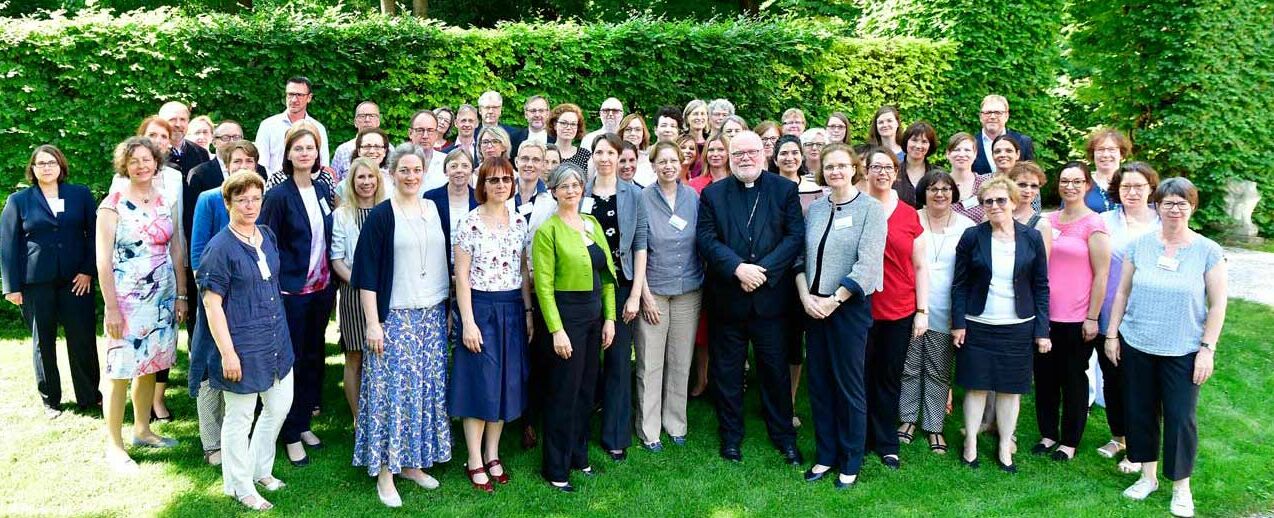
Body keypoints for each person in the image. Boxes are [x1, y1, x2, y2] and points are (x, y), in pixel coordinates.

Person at [1104, 177, 1225, 518]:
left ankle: (1181, 487)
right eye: (1168, 203)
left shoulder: (1208, 251)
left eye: (1181, 203)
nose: (1174, 209)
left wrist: (1207, 349)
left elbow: (1217, 305)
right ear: (1157, 206)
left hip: (1183, 349)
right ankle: (1147, 476)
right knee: (1140, 411)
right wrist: (1112, 334)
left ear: (1192, 207)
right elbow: (1123, 293)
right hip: (1138, 342)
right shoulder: (1140, 246)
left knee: (1180, 417)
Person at [351, 143, 453, 507]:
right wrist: (373, 323)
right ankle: (385, 473)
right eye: (404, 170)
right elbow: (365, 275)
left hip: (430, 316)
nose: (411, 176)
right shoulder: (382, 215)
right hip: (395, 317)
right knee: (390, 394)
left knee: (423, 391)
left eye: (416, 170)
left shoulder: (433, 209)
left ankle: (412, 463)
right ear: (391, 173)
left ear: (424, 173)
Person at [696, 131, 804, 465]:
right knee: (727, 372)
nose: (745, 158)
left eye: (752, 152)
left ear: (763, 154)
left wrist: (761, 272)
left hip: (771, 299)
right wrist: (738, 269)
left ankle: (783, 435)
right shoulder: (714, 194)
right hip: (728, 297)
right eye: (738, 153)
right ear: (729, 156)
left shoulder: (784, 189)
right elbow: (706, 239)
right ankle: (730, 436)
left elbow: (794, 236)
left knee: (774, 371)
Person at [197, 171, 294, 511]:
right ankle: (239, 485)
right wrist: (228, 353)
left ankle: (259, 469)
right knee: (239, 418)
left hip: (276, 338)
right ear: (228, 204)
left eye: (255, 198)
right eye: (242, 200)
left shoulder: (266, 235)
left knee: (279, 405)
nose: (250, 205)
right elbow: (212, 304)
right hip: (241, 343)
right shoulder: (219, 248)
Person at [796, 143, 887, 488]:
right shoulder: (816, 210)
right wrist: (806, 297)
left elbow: (867, 265)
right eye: (829, 166)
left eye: (841, 166)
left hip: (846, 309)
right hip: (813, 307)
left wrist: (833, 300)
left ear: (854, 169)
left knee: (849, 387)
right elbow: (802, 258)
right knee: (819, 384)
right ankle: (825, 455)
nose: (835, 171)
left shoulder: (870, 210)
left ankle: (851, 459)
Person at [96, 137, 188, 472]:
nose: (141, 165)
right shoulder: (112, 204)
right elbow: (103, 261)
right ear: (125, 165)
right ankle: (114, 444)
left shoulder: (164, 200)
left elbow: (176, 248)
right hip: (126, 299)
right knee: (120, 371)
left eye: (146, 159)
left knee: (152, 362)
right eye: (134, 160)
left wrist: (180, 293)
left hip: (162, 296)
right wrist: (111, 307)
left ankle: (142, 429)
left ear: (156, 162)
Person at [951, 176, 1050, 473]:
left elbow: (1041, 286)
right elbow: (959, 285)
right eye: (988, 201)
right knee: (976, 387)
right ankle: (971, 443)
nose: (994, 206)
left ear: (1015, 201)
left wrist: (1042, 331)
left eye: (1000, 200)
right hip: (978, 322)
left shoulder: (1031, 237)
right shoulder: (971, 236)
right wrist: (958, 323)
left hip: (1018, 324)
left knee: (1010, 389)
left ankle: (1005, 444)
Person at [533, 164, 618, 492]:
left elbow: (607, 276)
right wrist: (556, 330)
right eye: (564, 186)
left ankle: (578, 456)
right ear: (553, 191)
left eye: (576, 185)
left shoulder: (592, 224)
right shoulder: (547, 231)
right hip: (566, 316)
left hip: (594, 316)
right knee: (563, 393)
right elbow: (542, 285)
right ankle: (555, 468)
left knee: (586, 390)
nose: (571, 190)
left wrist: (609, 318)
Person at [451, 157, 533, 493]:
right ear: (481, 185)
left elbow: (524, 271)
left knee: (504, 384)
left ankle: (493, 453)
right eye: (493, 180)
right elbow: (462, 278)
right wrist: (467, 322)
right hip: (480, 309)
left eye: (505, 180)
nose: (500, 185)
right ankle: (473, 458)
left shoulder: (519, 222)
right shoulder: (469, 223)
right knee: (480, 384)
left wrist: (528, 312)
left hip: (512, 308)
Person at [1, 145, 100, 418]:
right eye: (40, 163)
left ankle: (89, 397)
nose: (46, 167)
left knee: (82, 339)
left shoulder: (79, 194)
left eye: (51, 162)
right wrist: (11, 286)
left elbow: (95, 235)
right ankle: (50, 401)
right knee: (42, 341)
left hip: (76, 280)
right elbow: (8, 245)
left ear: (61, 166)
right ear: (32, 169)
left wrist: (88, 270)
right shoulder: (18, 200)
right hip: (36, 283)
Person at [260, 128, 336, 467]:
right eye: (298, 148)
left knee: (313, 356)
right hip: (290, 293)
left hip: (320, 291)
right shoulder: (278, 195)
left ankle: (303, 421)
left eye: (311, 148)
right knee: (288, 362)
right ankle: (289, 434)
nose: (305, 153)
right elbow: (265, 242)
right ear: (288, 154)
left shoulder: (321, 189)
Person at [188, 140, 264, 467]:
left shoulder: (259, 200)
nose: (243, 164)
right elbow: (197, 250)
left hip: (247, 300)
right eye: (237, 160)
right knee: (210, 366)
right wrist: (207, 295)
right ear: (227, 163)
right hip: (216, 294)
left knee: (240, 365)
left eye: (250, 160)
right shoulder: (209, 199)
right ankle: (211, 440)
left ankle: (238, 434)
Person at [1033, 164, 1111, 461]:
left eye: (1077, 181)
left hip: (1077, 317)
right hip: (1045, 314)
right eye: (1065, 181)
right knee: (1045, 377)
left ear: (1087, 185)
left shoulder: (1095, 224)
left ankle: (1070, 440)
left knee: (1073, 379)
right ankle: (1048, 433)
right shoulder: (1048, 221)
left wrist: (1093, 316)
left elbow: (1101, 274)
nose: (1070, 186)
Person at [898, 171, 976, 455]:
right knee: (909, 366)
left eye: (945, 188)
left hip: (947, 307)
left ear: (954, 192)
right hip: (911, 304)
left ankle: (934, 426)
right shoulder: (910, 218)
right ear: (924, 192)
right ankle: (906, 419)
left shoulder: (967, 226)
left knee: (939, 370)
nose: (939, 194)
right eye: (933, 188)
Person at [862, 147, 929, 469]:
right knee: (860, 375)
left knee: (888, 377)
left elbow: (920, 266)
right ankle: (860, 437)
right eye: (875, 167)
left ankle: (886, 440)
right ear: (866, 171)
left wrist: (922, 310)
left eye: (888, 167)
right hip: (859, 308)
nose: (882, 172)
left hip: (899, 309)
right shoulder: (858, 207)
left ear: (896, 172)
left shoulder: (909, 214)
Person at [584, 134, 649, 461]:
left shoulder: (634, 195)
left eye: (611, 152)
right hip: (584, 287)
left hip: (621, 286)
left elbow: (640, 245)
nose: (605, 158)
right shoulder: (580, 190)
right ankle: (579, 429)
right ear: (592, 156)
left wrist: (635, 294)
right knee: (584, 362)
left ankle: (615, 434)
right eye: (599, 152)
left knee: (618, 362)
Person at [634, 141, 703, 451]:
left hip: (688, 290)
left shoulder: (693, 197)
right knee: (650, 363)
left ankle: (675, 423)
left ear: (682, 164)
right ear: (653, 164)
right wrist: (645, 296)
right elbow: (638, 249)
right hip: (655, 291)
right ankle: (649, 430)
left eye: (673, 160)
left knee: (680, 360)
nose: (668, 166)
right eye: (661, 161)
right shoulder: (642, 199)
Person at [1095, 162, 1161, 474]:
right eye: (1125, 187)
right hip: (1108, 313)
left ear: (1150, 189)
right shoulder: (1105, 221)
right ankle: (1118, 437)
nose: (1132, 192)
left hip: (1147, 318)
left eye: (1138, 186)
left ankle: (1138, 450)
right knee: (1112, 380)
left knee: (1140, 386)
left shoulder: (1163, 222)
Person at [331, 158, 387, 419]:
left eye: (371, 177)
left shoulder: (389, 211)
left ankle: (380, 414)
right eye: (360, 178)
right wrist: (363, 283)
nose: (366, 182)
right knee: (355, 355)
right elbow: (336, 259)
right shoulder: (342, 215)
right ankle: (358, 418)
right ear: (352, 182)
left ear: (379, 180)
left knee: (381, 354)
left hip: (386, 293)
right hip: (353, 292)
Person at [254, 76, 330, 174]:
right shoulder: (268, 126)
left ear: (309, 97)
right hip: (274, 186)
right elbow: (261, 165)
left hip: (308, 185)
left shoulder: (318, 129)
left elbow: (323, 166)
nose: (294, 99)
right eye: (290, 94)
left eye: (299, 95)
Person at [422, 150, 478, 275]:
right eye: (453, 166)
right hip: (438, 268)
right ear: (445, 171)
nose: (459, 170)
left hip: (472, 270)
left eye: (465, 166)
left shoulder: (480, 198)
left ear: (472, 170)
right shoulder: (431, 198)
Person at [189, 121, 269, 197]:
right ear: (214, 142)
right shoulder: (199, 174)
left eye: (236, 137)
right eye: (225, 138)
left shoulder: (259, 171)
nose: (232, 142)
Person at [972, 95, 1035, 175]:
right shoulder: (971, 144)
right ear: (981, 117)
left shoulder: (1023, 142)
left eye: (998, 113)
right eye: (987, 113)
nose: (992, 117)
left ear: (1006, 116)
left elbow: (1031, 175)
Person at [332, 101, 381, 182]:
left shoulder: (389, 149)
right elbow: (334, 184)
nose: (367, 120)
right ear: (355, 122)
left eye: (372, 116)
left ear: (378, 122)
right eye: (362, 116)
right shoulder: (342, 150)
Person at [159, 101, 212, 176]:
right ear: (161, 123)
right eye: (172, 119)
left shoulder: (201, 153)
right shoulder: (153, 152)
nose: (178, 124)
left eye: (182, 119)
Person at [1084, 128, 1131, 213]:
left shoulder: (1134, 184)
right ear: (1093, 154)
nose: (1105, 155)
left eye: (1111, 149)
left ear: (1121, 154)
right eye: (1100, 150)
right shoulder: (1081, 184)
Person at [946, 133, 989, 222]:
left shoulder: (986, 183)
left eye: (967, 150)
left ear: (975, 154)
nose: (962, 154)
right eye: (957, 150)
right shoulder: (939, 185)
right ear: (948, 154)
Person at [894, 122, 939, 207]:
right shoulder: (892, 172)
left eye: (924, 142)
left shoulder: (938, 174)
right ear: (906, 141)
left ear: (930, 145)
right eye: (914, 140)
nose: (918, 146)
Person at [403, 110, 446, 187]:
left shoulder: (447, 162)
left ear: (436, 134)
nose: (425, 136)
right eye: (420, 130)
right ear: (410, 133)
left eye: (430, 130)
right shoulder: (398, 162)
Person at [550, 103, 591, 170]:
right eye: (564, 123)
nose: (568, 127)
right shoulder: (545, 151)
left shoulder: (585, 155)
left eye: (573, 124)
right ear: (555, 125)